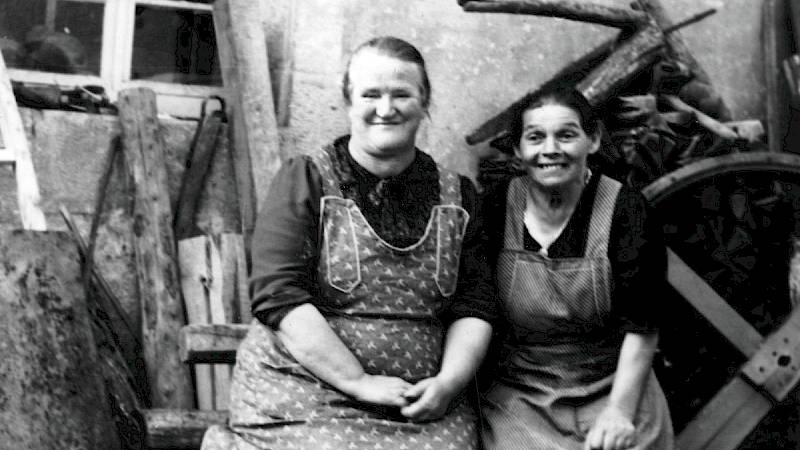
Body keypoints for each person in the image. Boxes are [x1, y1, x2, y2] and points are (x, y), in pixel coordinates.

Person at [201, 36, 496, 450]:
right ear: (348, 101)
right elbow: (277, 295)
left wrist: (447, 384)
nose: (385, 108)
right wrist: (358, 382)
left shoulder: (458, 195)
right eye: (370, 94)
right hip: (305, 391)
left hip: (421, 405)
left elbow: (475, 303)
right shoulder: (307, 178)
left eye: (401, 94)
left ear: (425, 102)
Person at [478, 86, 674, 450]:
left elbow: (643, 324)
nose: (551, 149)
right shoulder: (495, 207)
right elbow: (475, 309)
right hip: (522, 392)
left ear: (593, 140)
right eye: (536, 137)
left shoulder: (626, 210)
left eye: (566, 135)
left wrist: (619, 412)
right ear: (519, 149)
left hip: (615, 381)